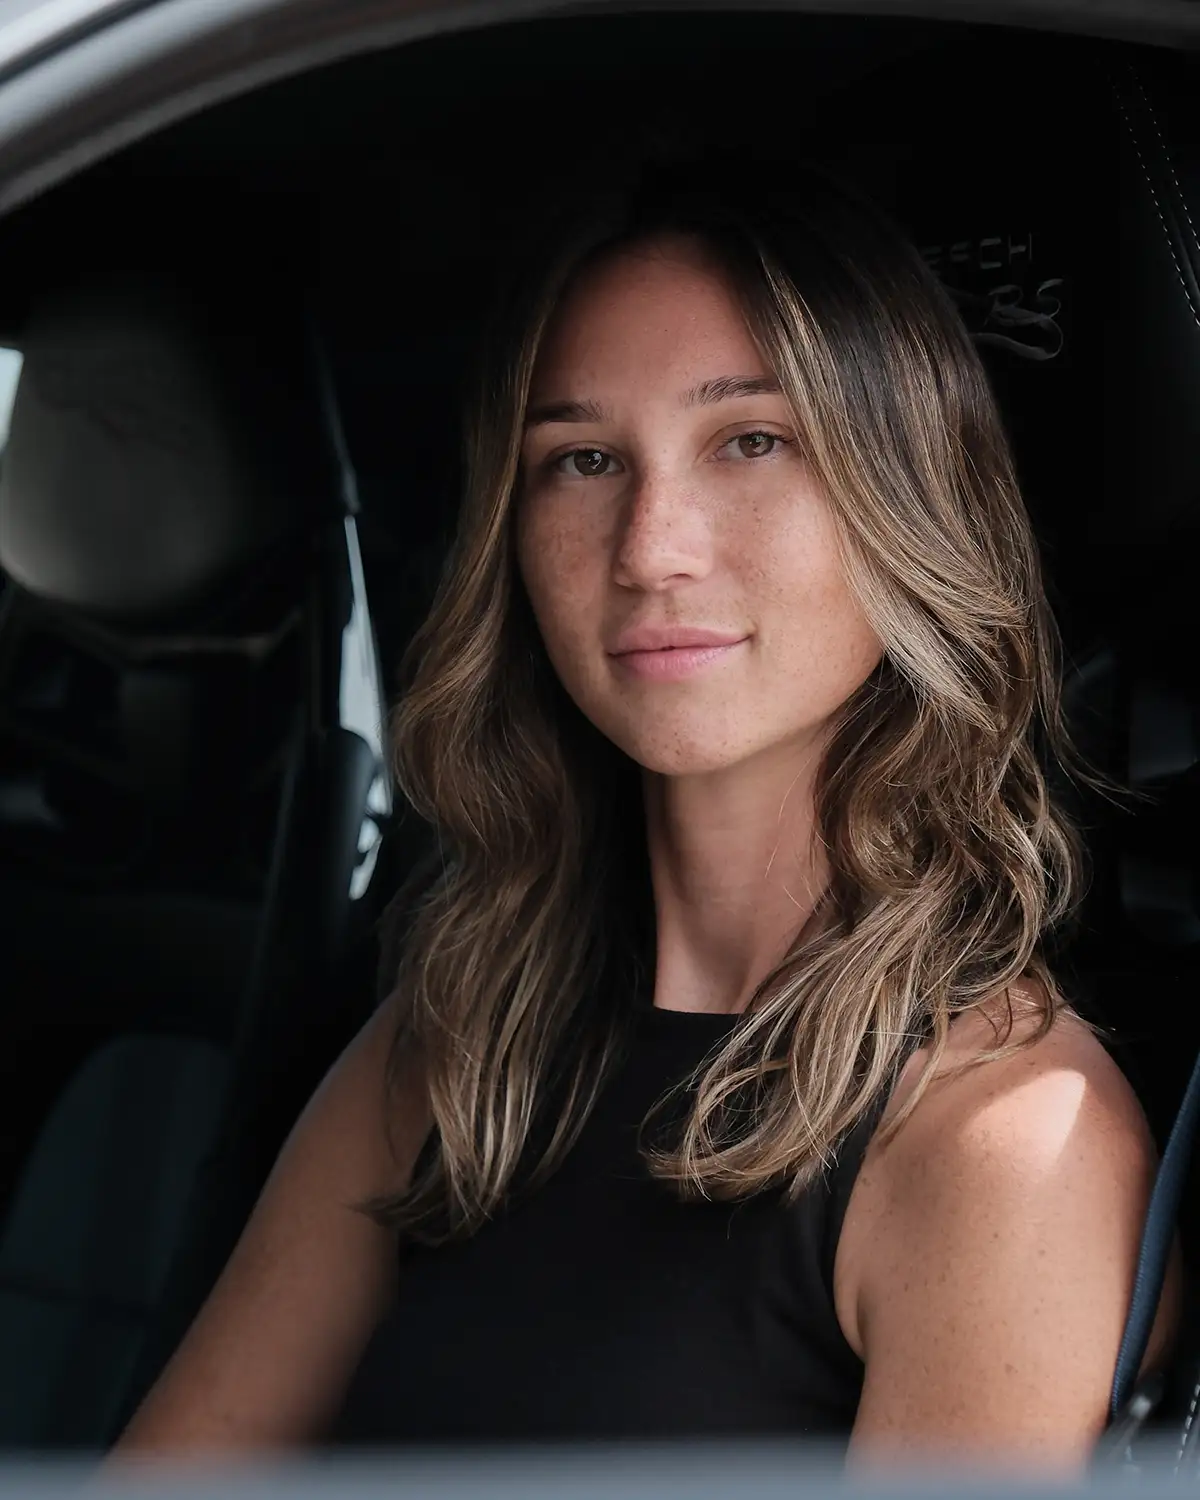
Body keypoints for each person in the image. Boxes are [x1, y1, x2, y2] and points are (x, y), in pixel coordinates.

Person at [109, 162, 1179, 1471]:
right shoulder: (459, 1044)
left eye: (750, 440)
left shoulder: (999, 1139)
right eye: (583, 459)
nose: (651, 547)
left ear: (905, 501)